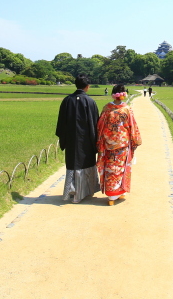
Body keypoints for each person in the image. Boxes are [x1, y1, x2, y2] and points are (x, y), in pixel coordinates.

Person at [56, 74, 101, 203]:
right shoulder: (90, 102)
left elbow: (61, 123)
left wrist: (63, 138)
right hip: (86, 141)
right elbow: (95, 123)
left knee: (72, 165)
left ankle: (72, 191)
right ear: (88, 86)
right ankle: (85, 191)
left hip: (71, 140)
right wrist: (95, 140)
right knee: (86, 164)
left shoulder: (67, 101)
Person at [97, 84, 142, 206]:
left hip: (108, 144)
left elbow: (100, 125)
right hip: (122, 143)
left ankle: (113, 194)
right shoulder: (127, 109)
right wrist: (135, 140)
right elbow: (132, 125)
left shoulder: (107, 108)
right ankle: (117, 193)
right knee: (120, 168)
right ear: (124, 93)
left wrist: (102, 138)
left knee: (110, 168)